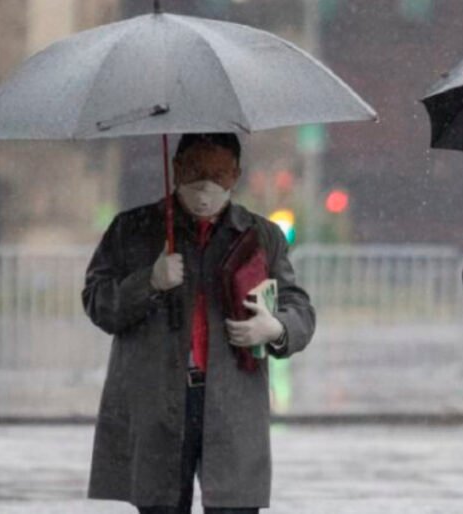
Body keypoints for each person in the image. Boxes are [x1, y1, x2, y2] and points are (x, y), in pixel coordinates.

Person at [82, 133, 316, 513]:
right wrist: (149, 281)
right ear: (175, 169)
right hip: (157, 399)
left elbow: (298, 306)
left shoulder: (260, 236)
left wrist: (277, 327)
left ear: (236, 175)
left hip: (232, 401)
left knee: (233, 505)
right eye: (195, 171)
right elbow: (98, 303)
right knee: (161, 502)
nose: (205, 184)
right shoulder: (133, 229)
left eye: (219, 173)